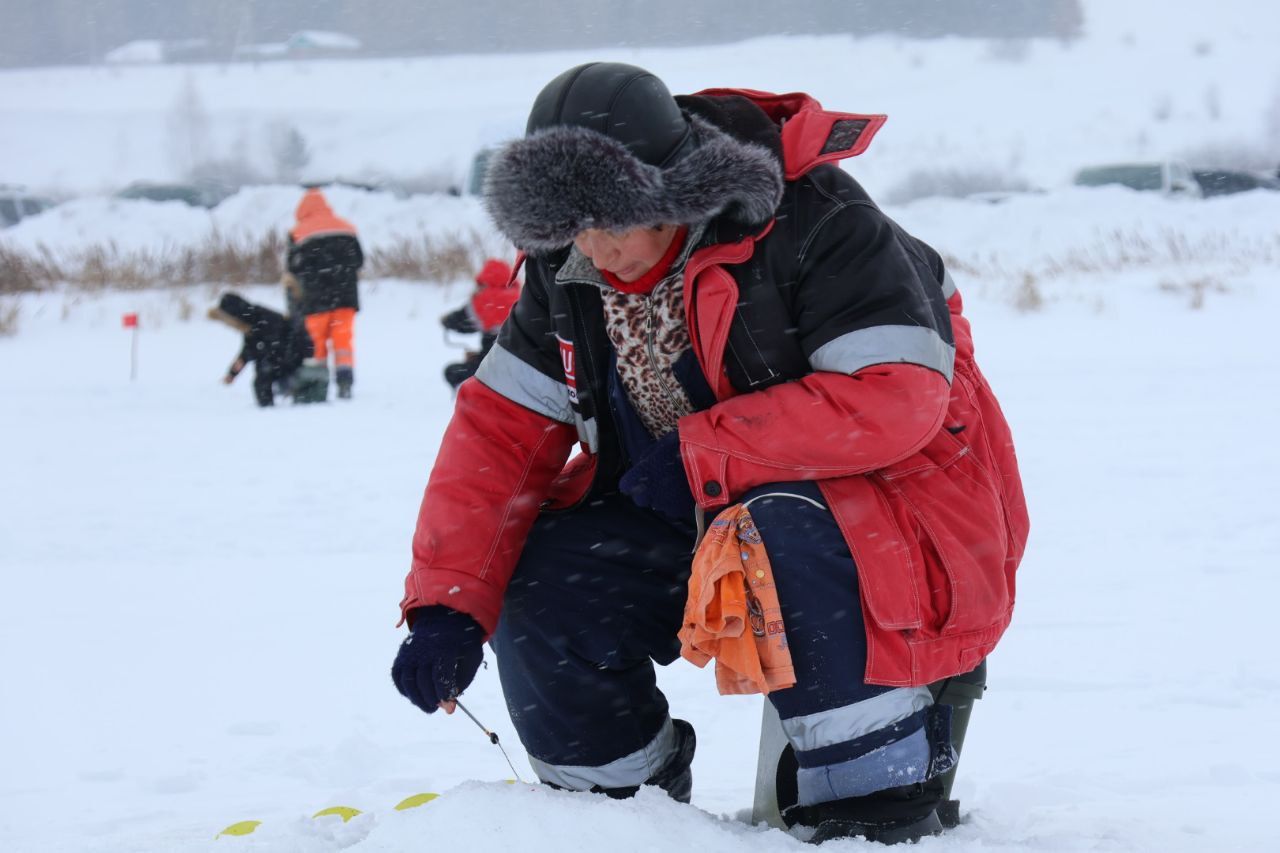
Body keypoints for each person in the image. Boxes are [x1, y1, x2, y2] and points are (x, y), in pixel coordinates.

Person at [390, 63, 1029, 845]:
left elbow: (894, 399)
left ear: (674, 193)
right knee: (551, 574)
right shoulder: (570, 270)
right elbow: (498, 434)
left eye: (612, 219)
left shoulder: (821, 223)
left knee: (775, 530)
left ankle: (866, 800)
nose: (591, 247)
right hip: (689, 508)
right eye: (568, 226)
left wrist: (701, 451)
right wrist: (447, 605)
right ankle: (617, 819)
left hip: (890, 521)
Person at [286, 187, 363, 399]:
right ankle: (345, 382)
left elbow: (293, 268)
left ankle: (317, 383)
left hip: (315, 300)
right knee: (343, 343)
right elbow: (358, 261)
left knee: (315, 343)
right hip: (345, 299)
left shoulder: (298, 233)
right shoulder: (347, 228)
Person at [208, 292, 313, 407]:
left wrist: (264, 366)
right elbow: (247, 352)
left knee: (263, 378)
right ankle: (269, 408)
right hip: (285, 359)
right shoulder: (252, 322)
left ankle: (273, 411)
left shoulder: (264, 320)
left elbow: (271, 349)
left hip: (295, 360)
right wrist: (232, 374)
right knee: (262, 378)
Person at [440, 257, 521, 390]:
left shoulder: (487, 299)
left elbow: (461, 322)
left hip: (495, 367)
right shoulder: (521, 296)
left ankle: (470, 400)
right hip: (522, 366)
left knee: (452, 372)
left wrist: (445, 321)